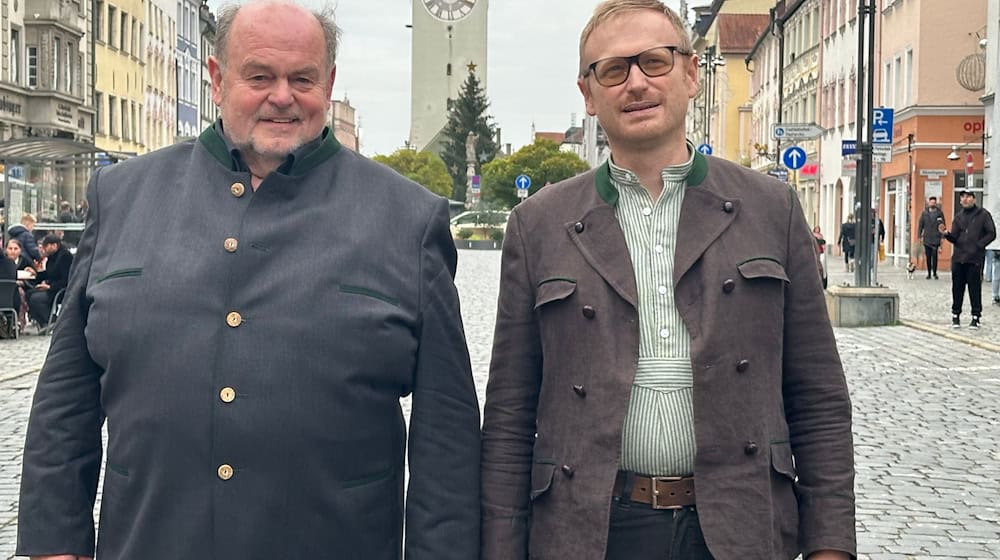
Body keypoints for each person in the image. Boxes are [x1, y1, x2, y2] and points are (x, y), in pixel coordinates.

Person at [16, 2, 480, 559]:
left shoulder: (407, 218)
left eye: (302, 78)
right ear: (216, 78)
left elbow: (445, 437)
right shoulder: (123, 198)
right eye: (259, 76)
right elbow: (67, 399)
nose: (281, 96)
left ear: (328, 83)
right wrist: (52, 545)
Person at [480, 2, 856, 559]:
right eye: (612, 70)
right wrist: (502, 548)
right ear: (587, 94)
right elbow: (509, 414)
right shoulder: (538, 224)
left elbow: (818, 397)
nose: (636, 82)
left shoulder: (769, 209)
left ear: (690, 74)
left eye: (655, 62)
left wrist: (831, 546)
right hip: (591, 529)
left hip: (738, 525)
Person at [939, 189, 996, 329]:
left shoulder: (983, 215)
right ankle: (955, 315)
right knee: (957, 288)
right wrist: (946, 234)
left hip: (974, 258)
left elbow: (991, 233)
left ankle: (975, 317)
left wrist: (979, 245)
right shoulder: (958, 217)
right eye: (963, 197)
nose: (965, 199)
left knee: (974, 288)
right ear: (960, 200)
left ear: (974, 199)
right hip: (958, 258)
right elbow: (955, 238)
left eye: (968, 197)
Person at [25, 234, 73, 329]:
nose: (43, 249)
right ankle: (43, 322)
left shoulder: (65, 257)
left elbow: (66, 279)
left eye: (45, 246)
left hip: (61, 289)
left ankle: (50, 321)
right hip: (53, 287)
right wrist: (36, 274)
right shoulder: (52, 257)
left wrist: (50, 287)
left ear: (54, 246)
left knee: (36, 298)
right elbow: (49, 273)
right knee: (29, 294)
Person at [917, 196, 944, 279]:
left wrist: (942, 237)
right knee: (928, 257)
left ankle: (935, 273)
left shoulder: (939, 213)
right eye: (931, 202)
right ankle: (928, 273)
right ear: (928, 203)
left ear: (936, 203)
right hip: (927, 238)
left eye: (934, 202)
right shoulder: (924, 213)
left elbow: (943, 225)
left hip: (936, 238)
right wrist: (919, 235)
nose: (932, 204)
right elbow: (920, 225)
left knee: (935, 256)